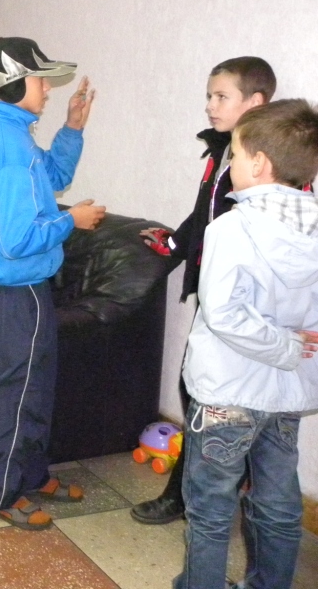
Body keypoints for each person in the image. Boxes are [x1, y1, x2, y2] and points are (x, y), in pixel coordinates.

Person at [173, 99, 318, 589]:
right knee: (277, 506)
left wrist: (284, 347)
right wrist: (293, 351)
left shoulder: (231, 228)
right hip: (285, 396)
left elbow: (223, 314)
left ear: (259, 163)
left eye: (233, 155)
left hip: (227, 396)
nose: (228, 165)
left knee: (210, 511)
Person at [132, 56, 277, 526]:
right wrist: (175, 245)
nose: (211, 106)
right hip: (215, 292)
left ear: (255, 102)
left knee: (213, 398)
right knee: (196, 389)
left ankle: (190, 496)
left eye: (221, 97)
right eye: (209, 96)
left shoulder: (270, 158)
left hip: (245, 301)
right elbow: (206, 213)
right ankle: (203, 491)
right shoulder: (224, 151)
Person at [0, 37, 105, 530]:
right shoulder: (6, 144)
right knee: (14, 391)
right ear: (12, 84)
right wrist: (72, 221)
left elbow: (54, 176)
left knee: (36, 387)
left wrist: (73, 127)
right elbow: (15, 240)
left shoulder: (17, 134)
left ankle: (31, 475)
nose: (48, 89)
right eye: (40, 80)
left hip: (29, 285)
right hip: (14, 289)